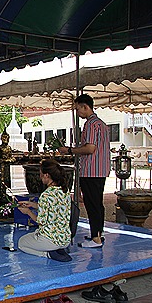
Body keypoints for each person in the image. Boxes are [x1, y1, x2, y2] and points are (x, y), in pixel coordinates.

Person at [59, 93, 110, 248]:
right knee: (97, 203)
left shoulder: (91, 124)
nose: (78, 113)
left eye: (78, 109)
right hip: (100, 169)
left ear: (85, 107)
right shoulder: (101, 124)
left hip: (91, 170)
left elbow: (90, 148)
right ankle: (98, 233)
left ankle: (96, 238)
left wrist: (69, 150)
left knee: (92, 203)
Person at [16, 159, 72, 261]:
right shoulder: (64, 190)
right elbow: (53, 208)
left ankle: (47, 254)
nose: (40, 176)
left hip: (50, 240)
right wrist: (32, 205)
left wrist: (27, 212)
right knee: (31, 236)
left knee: (21, 243)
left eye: (41, 174)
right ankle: (59, 249)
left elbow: (40, 221)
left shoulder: (46, 194)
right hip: (65, 238)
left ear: (46, 175)